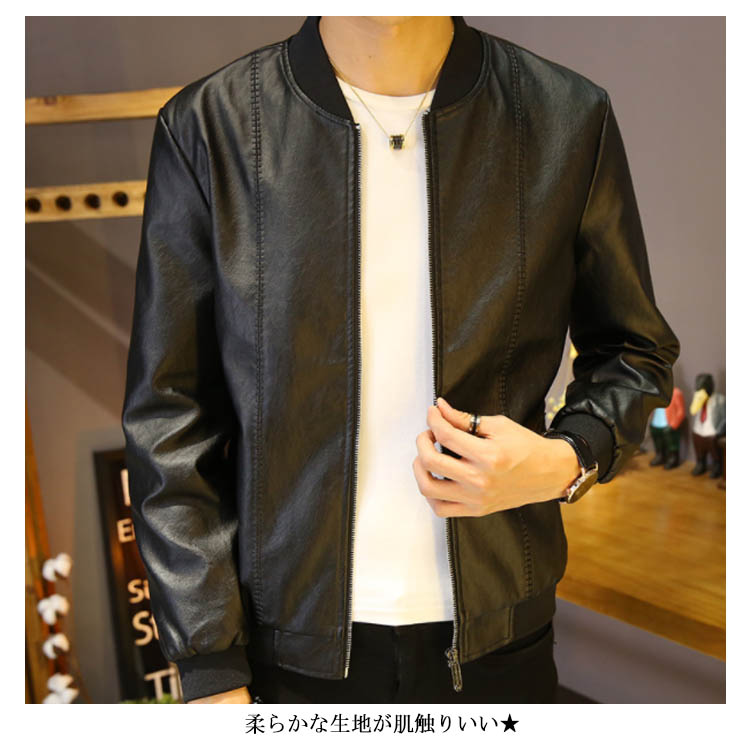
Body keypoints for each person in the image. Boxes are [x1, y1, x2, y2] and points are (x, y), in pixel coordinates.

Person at [121, 16, 680, 704]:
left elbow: (634, 348)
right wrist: (209, 666)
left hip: (501, 638)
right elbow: (170, 410)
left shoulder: (564, 115)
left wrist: (567, 459)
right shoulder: (215, 124)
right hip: (285, 649)